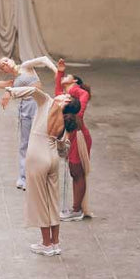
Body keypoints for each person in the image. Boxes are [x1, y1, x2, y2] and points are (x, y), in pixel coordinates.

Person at [2, 86, 80, 256]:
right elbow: (63, 148)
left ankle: (46, 243)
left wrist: (10, 91)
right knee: (52, 201)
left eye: (65, 95)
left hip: (37, 157)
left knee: (39, 201)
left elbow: (32, 90)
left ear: (66, 101)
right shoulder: (65, 120)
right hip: (52, 159)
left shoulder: (47, 102)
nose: (61, 94)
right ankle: (55, 243)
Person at [0, 53, 57, 191]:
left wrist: (56, 70)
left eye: (6, 60)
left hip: (40, 108)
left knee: (43, 141)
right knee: (25, 144)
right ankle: (23, 177)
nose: (6, 63)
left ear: (12, 60)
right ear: (5, 70)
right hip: (26, 112)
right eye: (3, 65)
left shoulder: (26, 67)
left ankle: (42, 175)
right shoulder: (13, 82)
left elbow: (43, 59)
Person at [54, 59, 92, 221]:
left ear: (75, 81)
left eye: (67, 75)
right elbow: (57, 92)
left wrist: (78, 115)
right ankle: (76, 208)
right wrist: (60, 72)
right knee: (73, 171)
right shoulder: (65, 95)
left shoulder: (79, 93)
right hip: (71, 136)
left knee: (77, 172)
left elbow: (84, 96)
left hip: (79, 137)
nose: (64, 77)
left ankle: (77, 210)